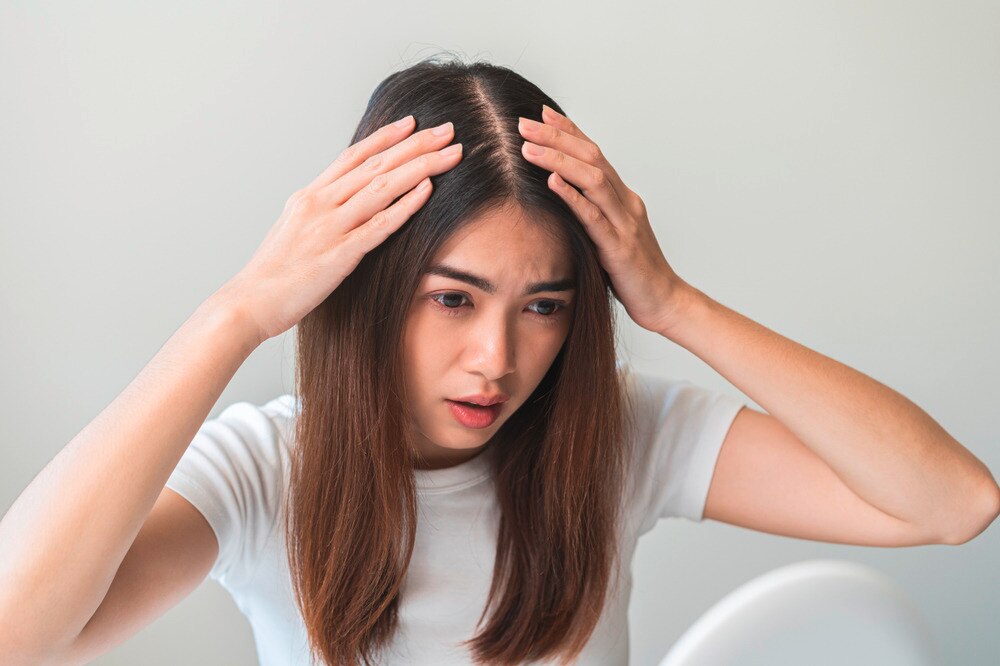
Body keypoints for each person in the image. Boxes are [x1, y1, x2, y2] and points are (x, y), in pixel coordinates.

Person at [0, 55, 768, 665]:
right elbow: (16, 632)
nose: (495, 360)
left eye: (543, 307)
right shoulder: (267, 468)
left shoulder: (622, 435)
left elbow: (896, 494)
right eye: (453, 299)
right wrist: (238, 312)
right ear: (373, 288)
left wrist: (672, 304)